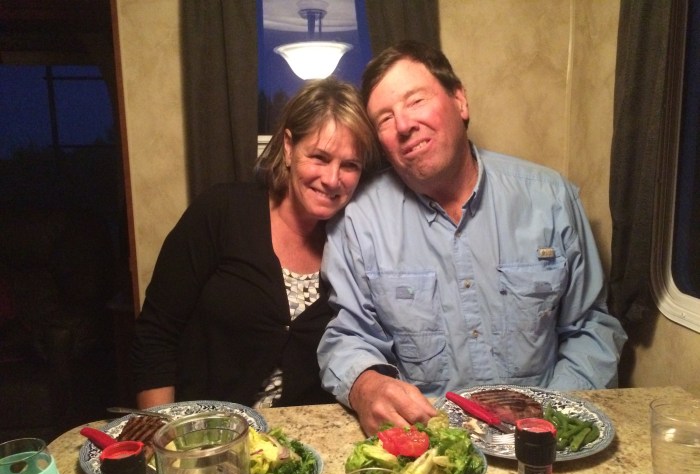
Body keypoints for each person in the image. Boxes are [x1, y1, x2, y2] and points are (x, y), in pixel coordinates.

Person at [318, 40, 628, 435]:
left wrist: (550, 417)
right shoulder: (359, 221)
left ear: (460, 101)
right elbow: (348, 336)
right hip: (432, 439)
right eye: (385, 118)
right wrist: (366, 386)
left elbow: (591, 328)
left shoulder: (550, 199)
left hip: (544, 435)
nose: (404, 125)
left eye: (416, 101)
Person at [131, 77, 378, 410]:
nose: (332, 179)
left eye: (349, 165)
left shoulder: (354, 241)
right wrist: (163, 430)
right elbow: (156, 334)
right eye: (319, 157)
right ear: (288, 147)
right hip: (206, 429)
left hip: (299, 436)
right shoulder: (222, 211)